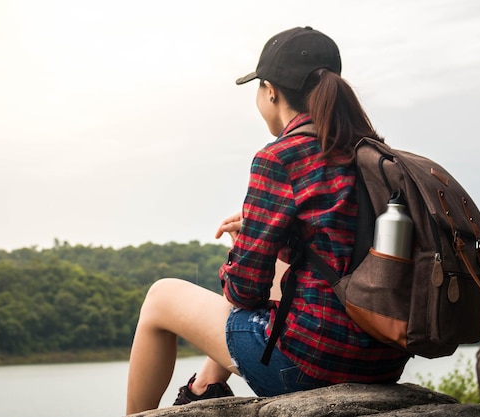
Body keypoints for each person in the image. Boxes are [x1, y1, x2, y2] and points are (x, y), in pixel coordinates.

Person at [125, 26, 411, 415]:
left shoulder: (280, 156)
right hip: (382, 363)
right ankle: (207, 385)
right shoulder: (374, 153)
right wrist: (274, 237)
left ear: (270, 91)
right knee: (283, 266)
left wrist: (246, 249)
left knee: (161, 297)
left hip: (311, 367)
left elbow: (243, 292)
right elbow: (339, 253)